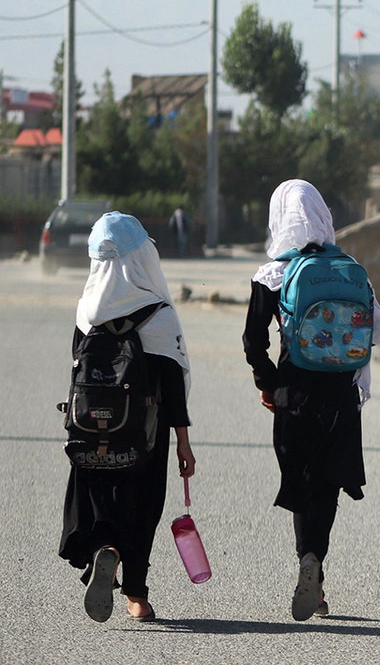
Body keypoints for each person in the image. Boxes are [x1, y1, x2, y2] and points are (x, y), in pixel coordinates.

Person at [242, 179, 380, 621]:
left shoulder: (273, 273)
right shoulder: (348, 266)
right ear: (323, 214)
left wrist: (267, 383)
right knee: (326, 488)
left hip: (295, 396)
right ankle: (316, 565)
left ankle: (308, 564)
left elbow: (253, 340)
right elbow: (379, 331)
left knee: (303, 486)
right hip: (341, 397)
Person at [59, 212, 196, 623]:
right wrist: (184, 445)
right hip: (146, 436)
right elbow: (173, 391)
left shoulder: (88, 310)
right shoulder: (159, 315)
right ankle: (136, 595)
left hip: (91, 429)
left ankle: (105, 550)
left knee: (99, 496)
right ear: (143, 256)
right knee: (142, 506)